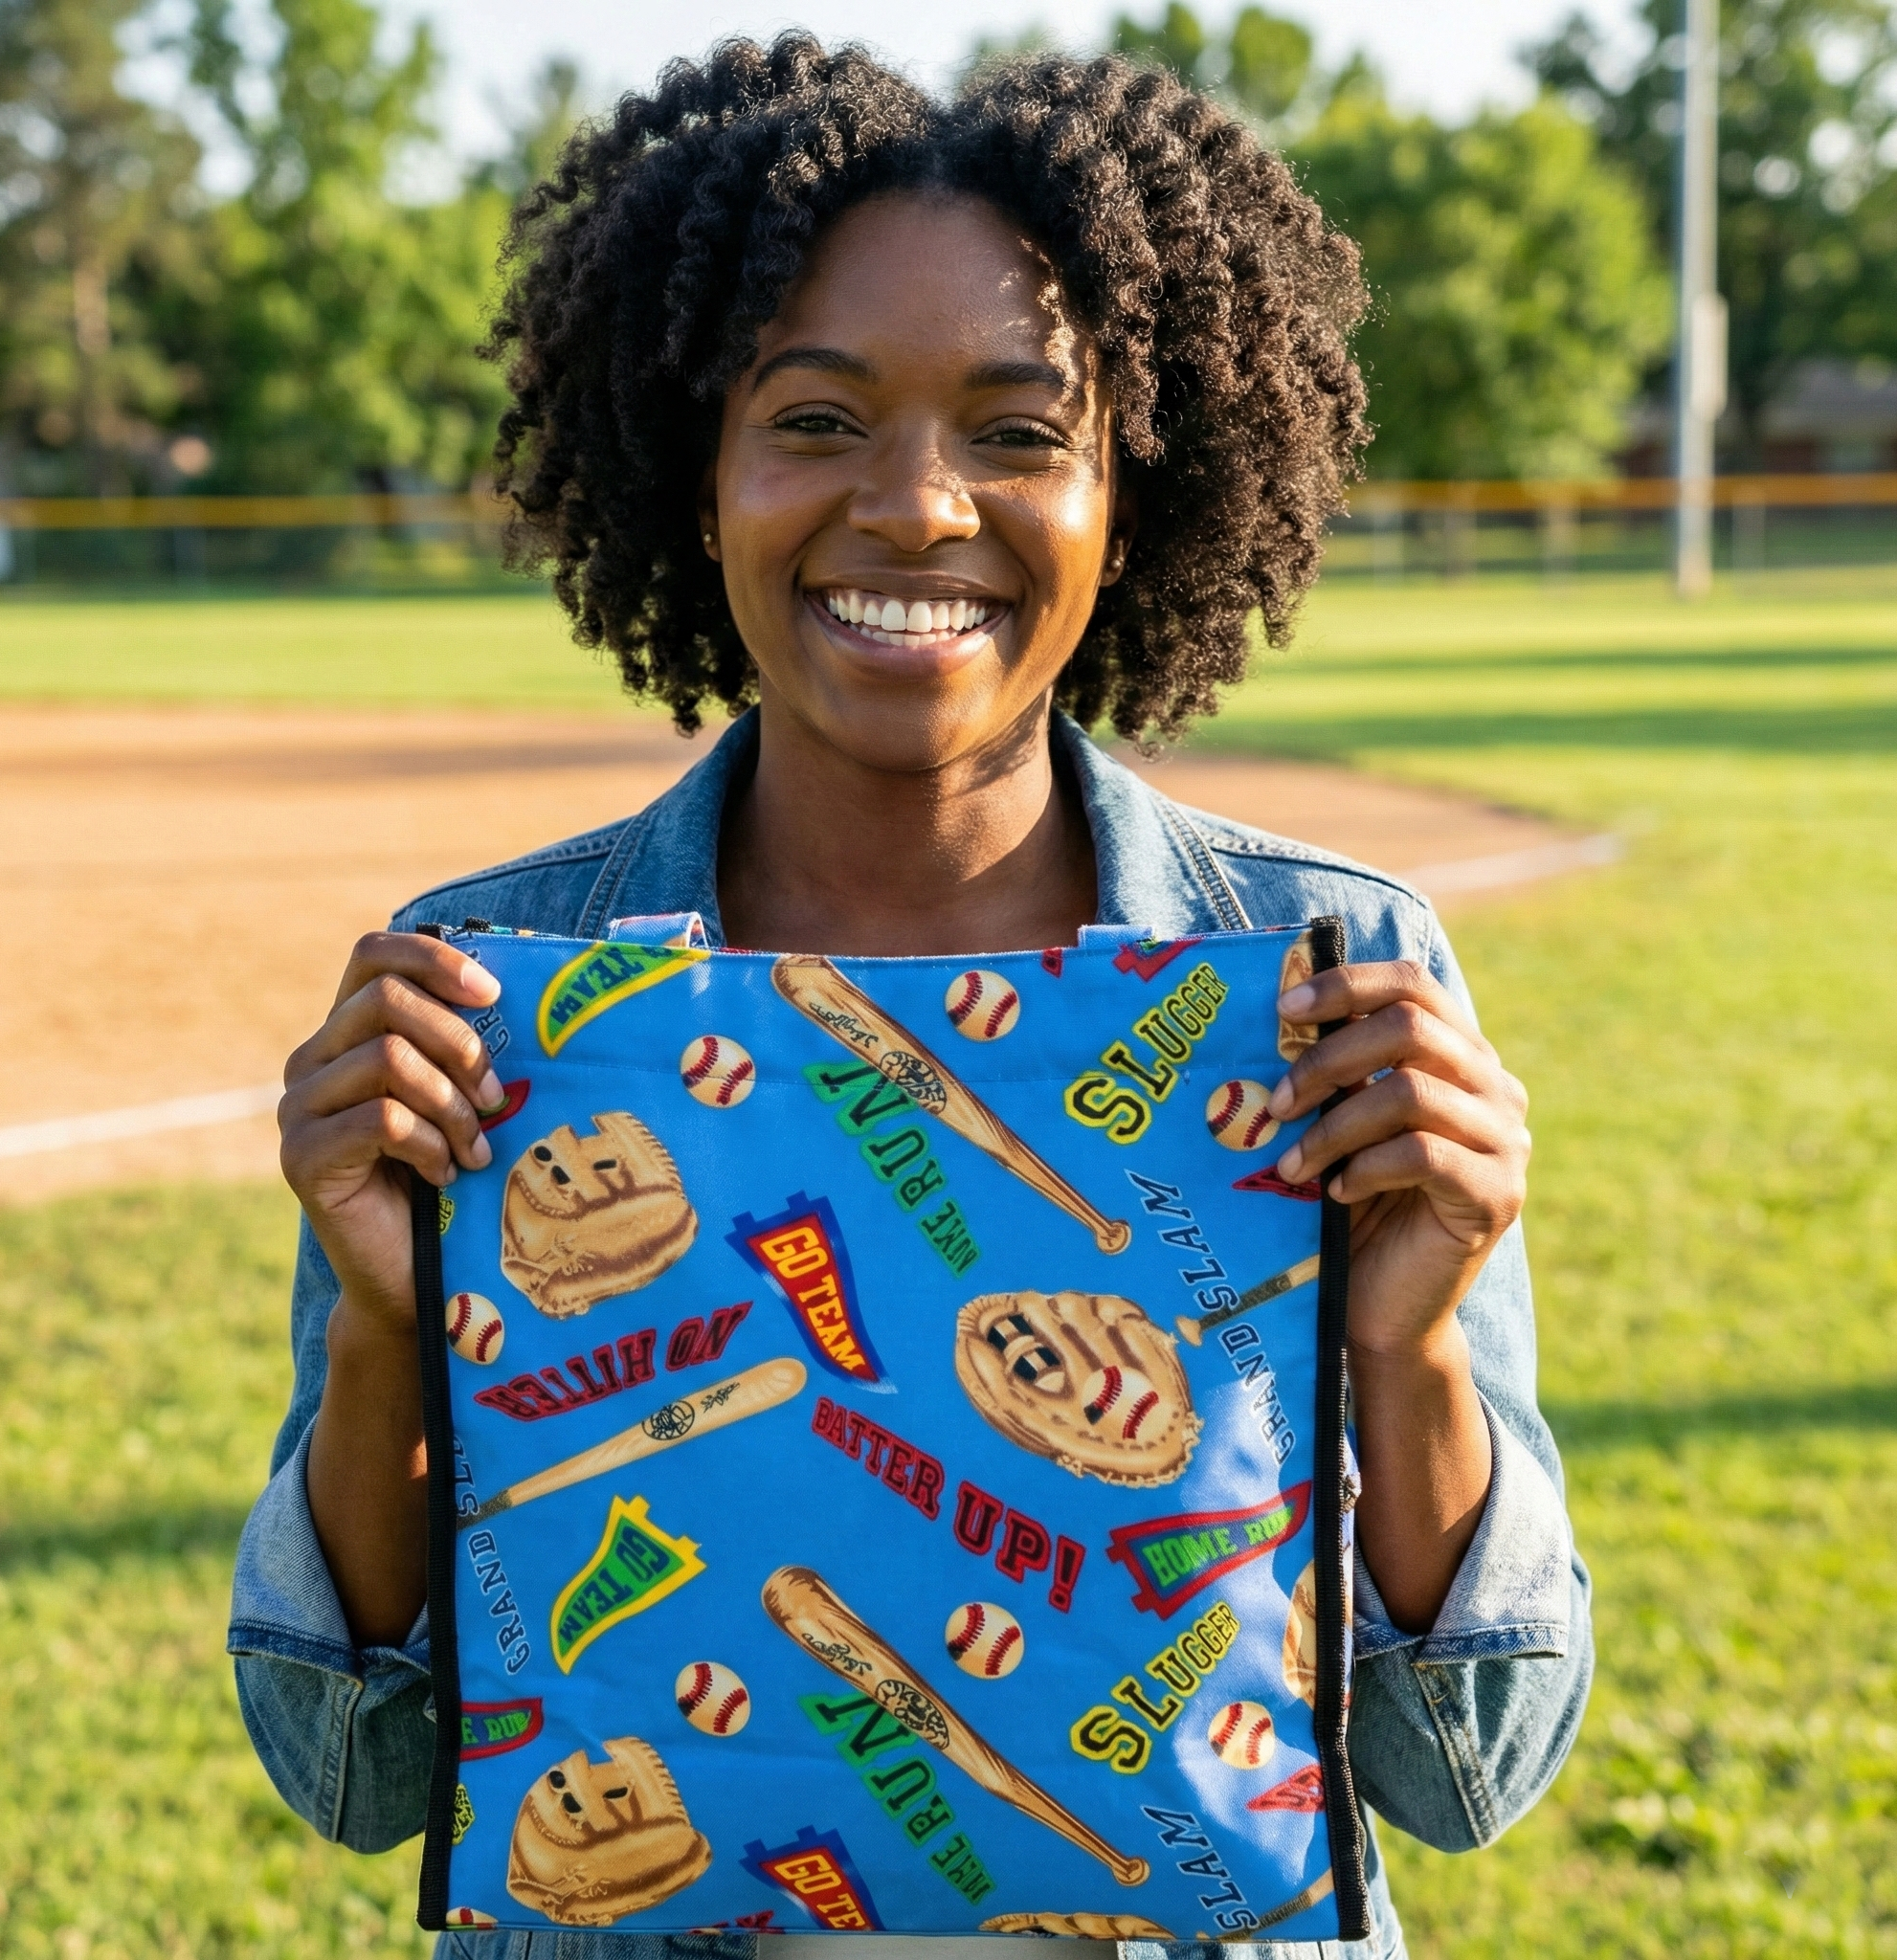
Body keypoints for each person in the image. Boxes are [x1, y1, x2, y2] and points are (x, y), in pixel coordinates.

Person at [229, 35, 1590, 1960]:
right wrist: (393, 1330)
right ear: (696, 474)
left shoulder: (1330, 989)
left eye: (1021, 434)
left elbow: (1466, 1772)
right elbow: (356, 1777)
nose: (918, 506)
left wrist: (1413, 1343)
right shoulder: (482, 1007)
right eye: (815, 417)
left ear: (1133, 490)